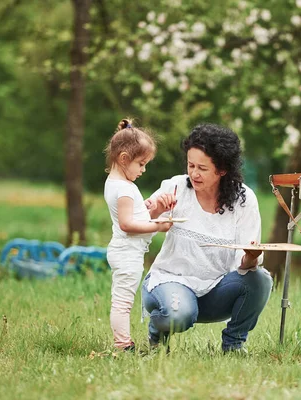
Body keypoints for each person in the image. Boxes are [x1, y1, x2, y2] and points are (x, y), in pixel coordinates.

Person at [142, 123, 273, 353]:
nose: (193, 173)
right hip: (171, 282)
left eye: (202, 168)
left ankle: (233, 345)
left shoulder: (244, 200)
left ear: (222, 170)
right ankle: (156, 333)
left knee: (260, 279)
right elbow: (138, 225)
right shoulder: (176, 187)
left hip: (215, 290)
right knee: (180, 313)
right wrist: (153, 211)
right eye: (190, 165)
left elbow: (246, 264)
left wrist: (251, 257)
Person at [103, 118, 172, 351]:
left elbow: (133, 214)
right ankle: (123, 345)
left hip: (126, 252)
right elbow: (126, 224)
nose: (143, 170)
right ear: (124, 159)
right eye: (141, 164)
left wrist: (151, 208)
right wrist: (157, 226)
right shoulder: (123, 189)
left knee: (124, 301)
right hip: (127, 254)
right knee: (122, 302)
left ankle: (124, 343)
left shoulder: (116, 183)